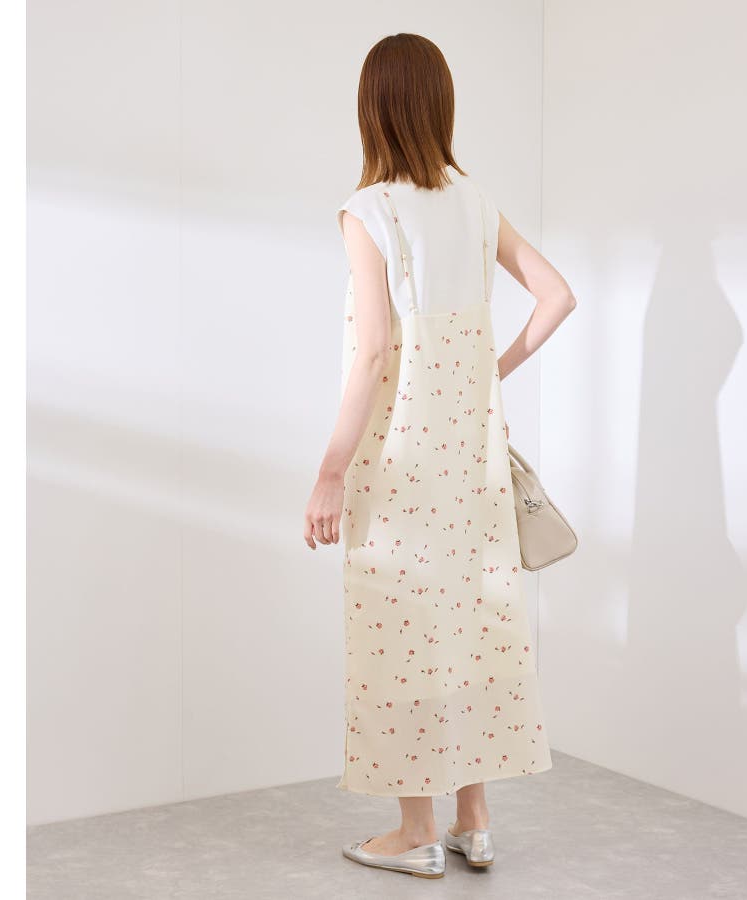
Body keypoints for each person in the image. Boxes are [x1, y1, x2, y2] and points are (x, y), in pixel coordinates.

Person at [303, 33, 577, 879]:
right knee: (473, 622)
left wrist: (330, 470)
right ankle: (475, 822)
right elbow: (558, 295)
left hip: (400, 458)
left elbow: (372, 352)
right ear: (441, 105)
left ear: (372, 109)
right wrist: (490, 371)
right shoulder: (476, 201)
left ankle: (415, 830)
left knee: (399, 628)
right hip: (473, 455)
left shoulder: (369, 210)